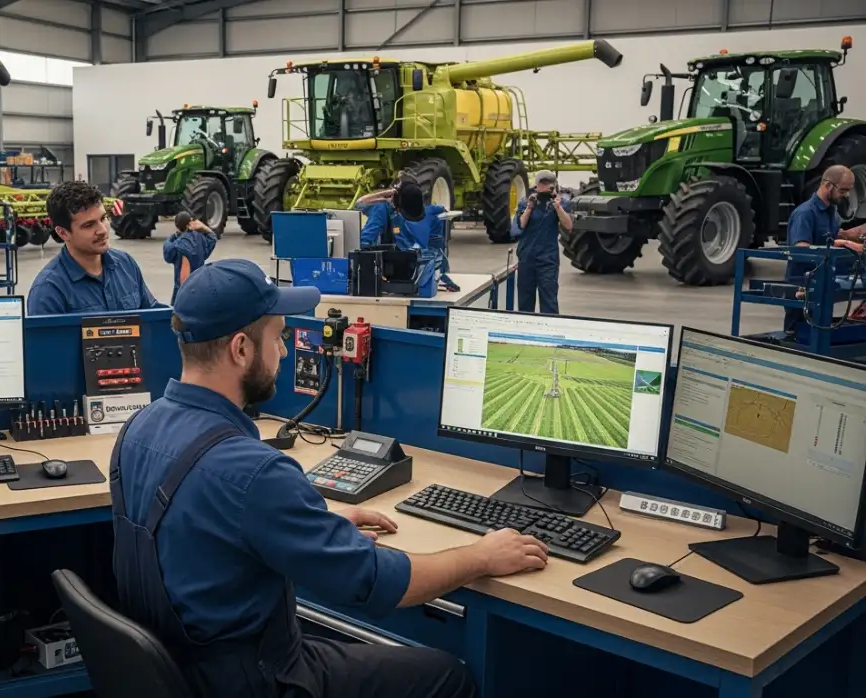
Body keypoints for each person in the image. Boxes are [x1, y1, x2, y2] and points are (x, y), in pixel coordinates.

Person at [109, 258, 550, 698]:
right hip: (256, 681)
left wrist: (315, 522)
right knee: (447, 675)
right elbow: (382, 584)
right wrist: (481, 556)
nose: (284, 351)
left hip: (187, 672)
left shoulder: (136, 430)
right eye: (278, 336)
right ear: (240, 349)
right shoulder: (253, 473)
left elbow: (208, 526)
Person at [27, 180, 161, 315]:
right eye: (88, 225)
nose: (102, 230)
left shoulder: (126, 265)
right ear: (63, 233)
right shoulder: (48, 291)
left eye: (103, 218)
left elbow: (153, 319)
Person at [784, 164, 866, 334]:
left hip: (824, 284)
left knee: (821, 331)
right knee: (798, 334)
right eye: (843, 190)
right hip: (803, 285)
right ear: (828, 185)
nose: (846, 195)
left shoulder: (832, 213)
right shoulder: (805, 213)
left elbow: (835, 239)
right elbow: (800, 250)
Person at [514, 170, 573, 314]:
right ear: (536, 187)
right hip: (527, 258)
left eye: (549, 185)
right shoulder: (526, 202)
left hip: (547, 260)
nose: (545, 188)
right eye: (543, 184)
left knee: (549, 301)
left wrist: (557, 207)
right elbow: (521, 225)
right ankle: (526, 331)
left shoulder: (561, 204)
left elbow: (568, 225)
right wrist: (529, 208)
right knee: (525, 301)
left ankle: (549, 332)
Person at [354, 180, 447, 254]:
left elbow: (441, 209)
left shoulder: (425, 209)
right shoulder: (381, 210)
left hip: (409, 253)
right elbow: (359, 204)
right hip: (390, 259)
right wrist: (389, 193)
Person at [164, 211, 218, 303]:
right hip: (200, 287)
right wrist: (203, 227)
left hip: (183, 291)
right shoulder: (200, 239)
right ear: (190, 223)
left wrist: (172, 237)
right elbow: (212, 238)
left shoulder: (177, 245)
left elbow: (167, 254)